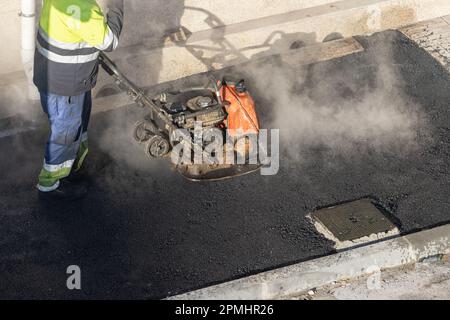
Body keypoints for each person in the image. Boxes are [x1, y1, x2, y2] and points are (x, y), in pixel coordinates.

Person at [33, 0, 124, 200]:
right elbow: (110, 42)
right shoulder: (83, 10)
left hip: (53, 76)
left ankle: (74, 163)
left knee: (75, 124)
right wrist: (116, 4)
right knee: (66, 132)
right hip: (66, 85)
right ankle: (51, 183)